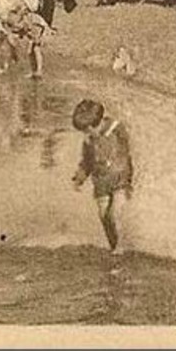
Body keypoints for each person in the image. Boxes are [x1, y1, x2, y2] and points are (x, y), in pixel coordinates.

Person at [71, 99, 135, 252]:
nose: (86, 134)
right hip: (100, 182)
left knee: (114, 214)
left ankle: (123, 245)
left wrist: (126, 172)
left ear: (95, 124)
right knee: (104, 216)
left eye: (87, 130)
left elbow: (127, 150)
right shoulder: (88, 141)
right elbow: (86, 161)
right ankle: (114, 245)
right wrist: (80, 177)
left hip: (120, 178)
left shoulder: (116, 129)